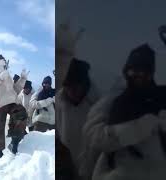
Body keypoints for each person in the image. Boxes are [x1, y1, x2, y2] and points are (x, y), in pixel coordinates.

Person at [84, 44, 166, 180]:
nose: (136, 75)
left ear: (151, 73)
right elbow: (95, 138)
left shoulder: (162, 97)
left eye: (142, 71)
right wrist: (134, 129)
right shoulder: (116, 101)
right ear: (126, 71)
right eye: (132, 71)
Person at [58, 58, 101, 180]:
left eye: (76, 85)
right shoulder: (60, 103)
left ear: (85, 85)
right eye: (68, 86)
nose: (72, 91)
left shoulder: (99, 105)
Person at [0, 54, 28, 158]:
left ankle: (14, 140)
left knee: (21, 112)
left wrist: (22, 80)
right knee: (0, 127)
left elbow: (14, 90)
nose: (4, 60)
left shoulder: (7, 74)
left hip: (10, 101)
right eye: (2, 59)